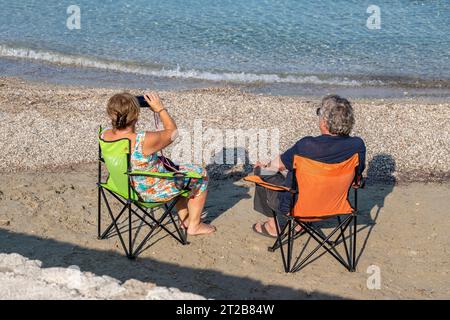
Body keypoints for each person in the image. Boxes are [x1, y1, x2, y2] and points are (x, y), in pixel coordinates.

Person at [102, 92, 216, 236]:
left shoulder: (104, 135)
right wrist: (160, 109)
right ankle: (194, 226)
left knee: (181, 171)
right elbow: (173, 132)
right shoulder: (142, 141)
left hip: (123, 185)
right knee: (200, 174)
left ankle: (185, 220)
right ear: (136, 115)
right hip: (147, 192)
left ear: (110, 113)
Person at [252, 95, 366, 237]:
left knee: (261, 171)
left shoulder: (307, 146)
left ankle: (272, 226)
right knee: (301, 176)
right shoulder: (357, 145)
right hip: (336, 205)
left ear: (324, 121)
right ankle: (300, 225)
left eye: (319, 112)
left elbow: (274, 167)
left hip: (298, 207)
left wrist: (262, 166)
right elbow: (357, 176)